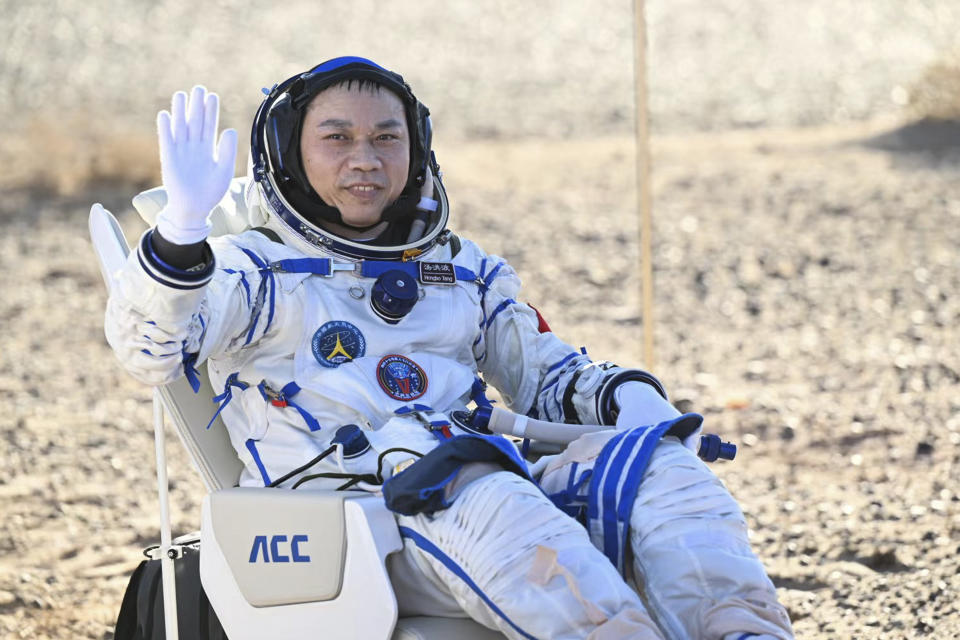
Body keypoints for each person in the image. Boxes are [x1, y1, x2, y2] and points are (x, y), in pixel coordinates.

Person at [105, 56, 794, 639]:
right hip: (345, 524)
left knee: (663, 469)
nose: (366, 160)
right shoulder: (250, 271)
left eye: (386, 137)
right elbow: (149, 349)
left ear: (418, 146)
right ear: (290, 149)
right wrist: (181, 231)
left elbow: (547, 378)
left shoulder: (462, 271)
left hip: (481, 490)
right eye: (336, 138)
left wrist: (626, 397)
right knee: (485, 488)